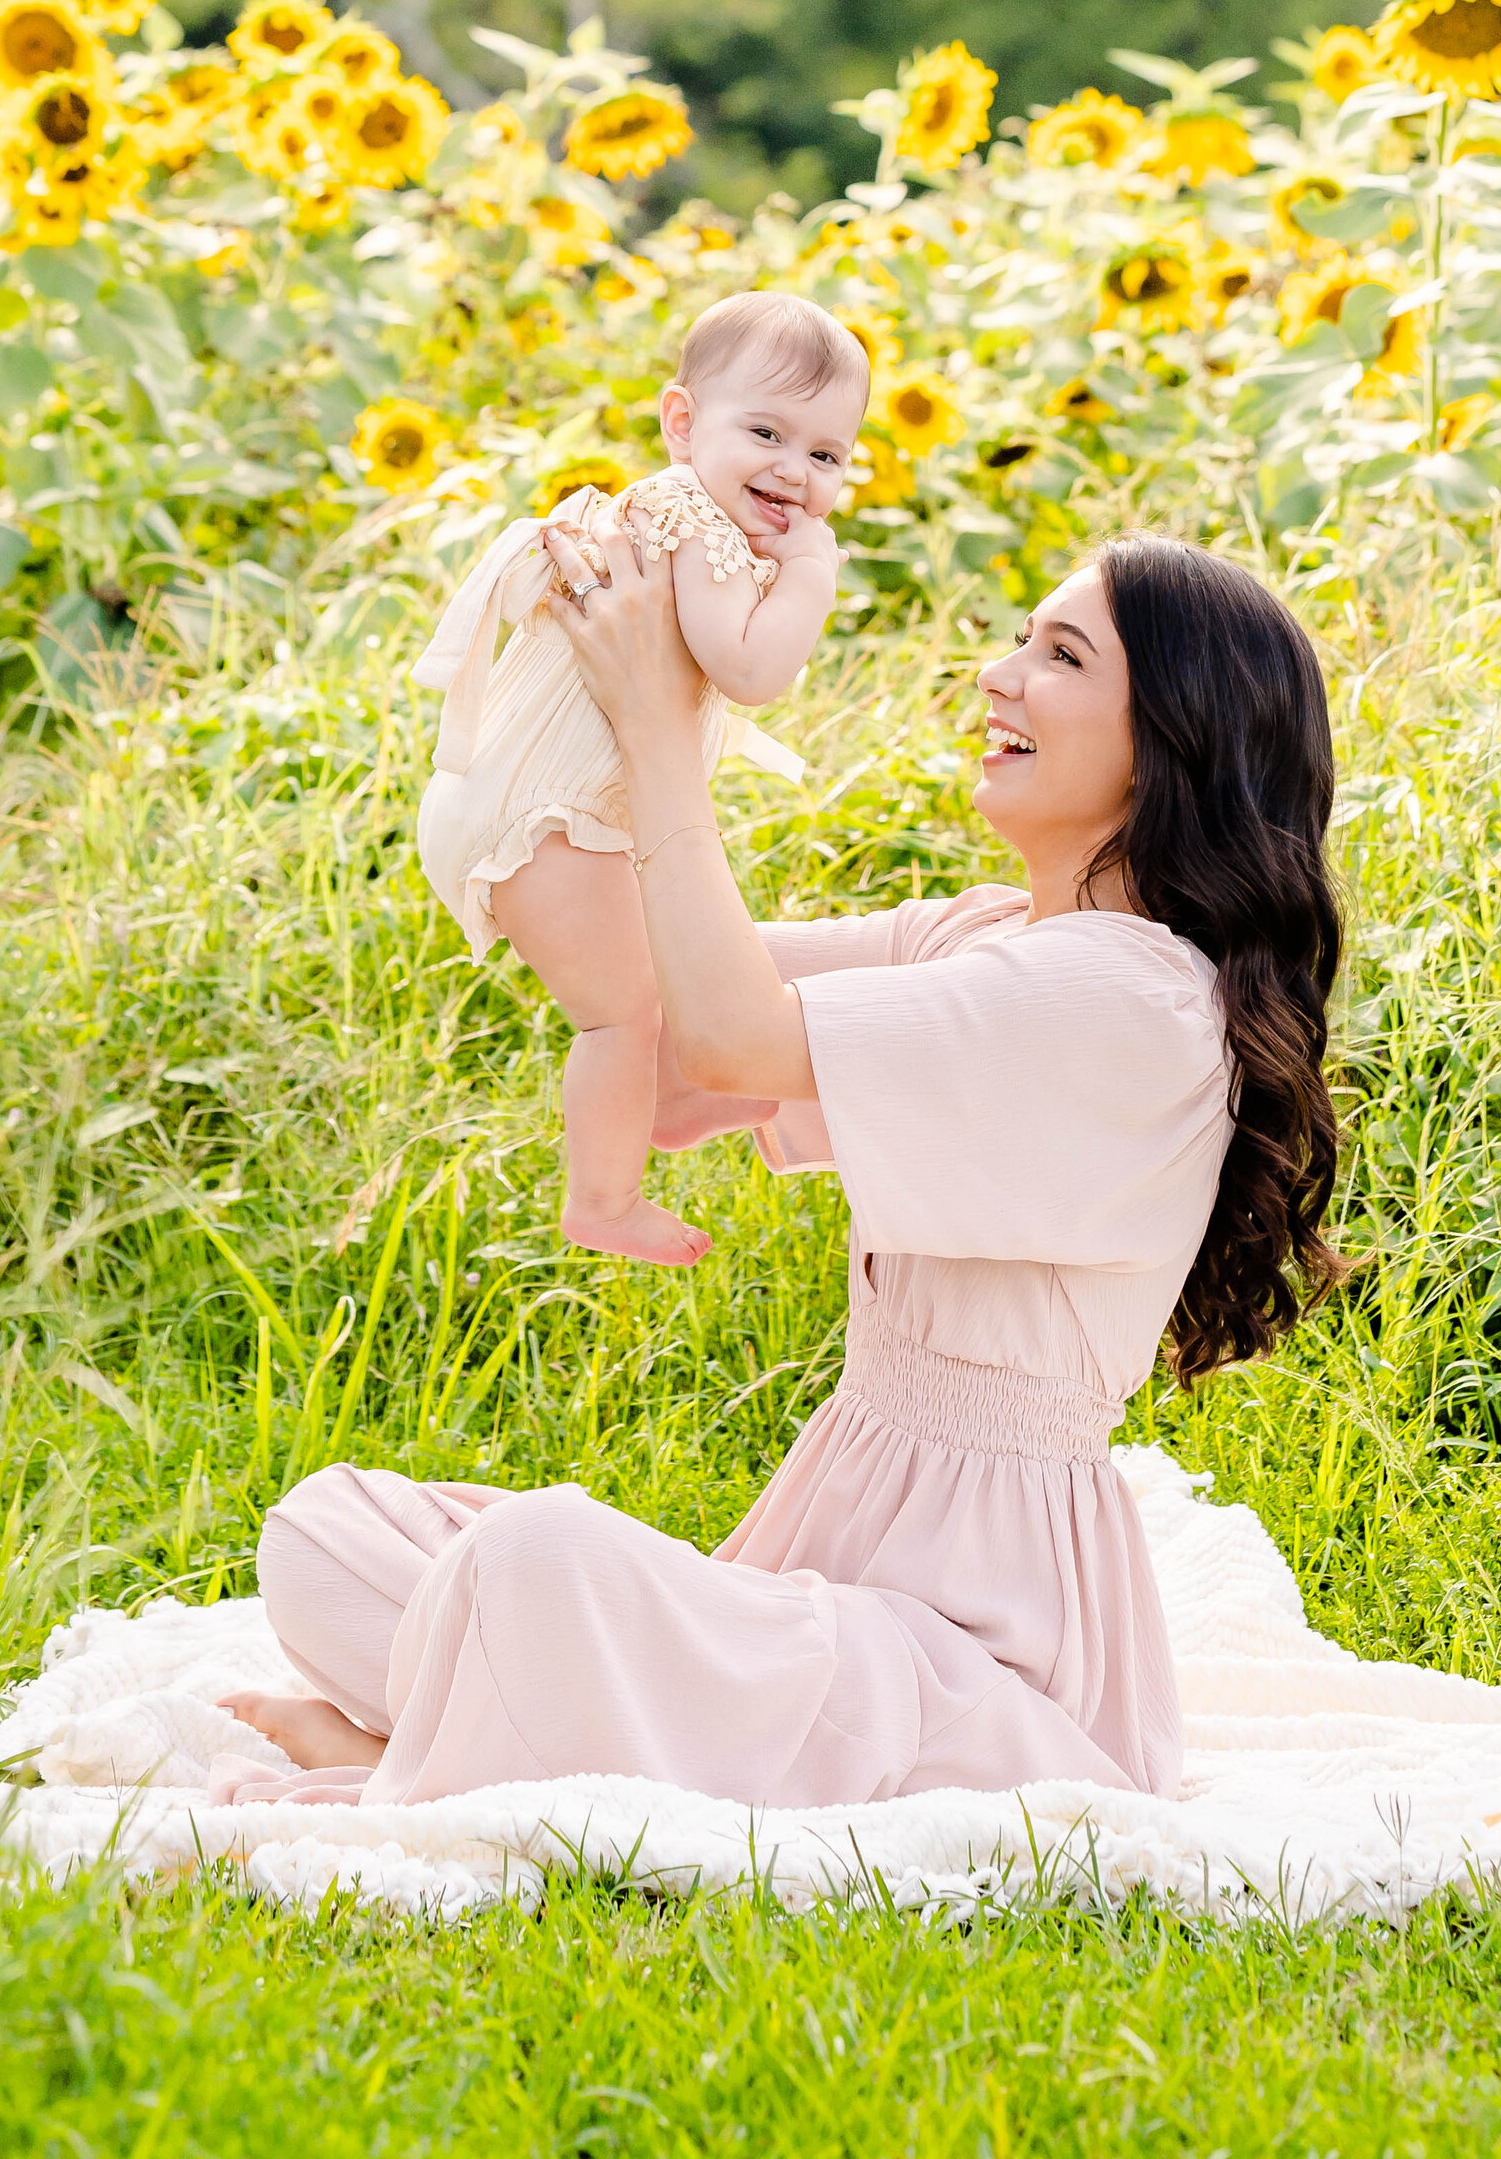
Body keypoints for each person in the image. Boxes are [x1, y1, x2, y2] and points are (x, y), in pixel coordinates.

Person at [222, 522, 1345, 1808]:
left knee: (534, 1563)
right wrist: (600, 704)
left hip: (975, 1666)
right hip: (823, 1589)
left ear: (1173, 742)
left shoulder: (1123, 1004)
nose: (999, 674)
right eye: (1020, 639)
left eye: (1061, 655)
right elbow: (663, 1012)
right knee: (329, 1534)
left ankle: (439, 1743)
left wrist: (655, 734)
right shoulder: (986, 936)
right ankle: (517, 1712)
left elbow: (731, 1032)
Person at [411, 287, 863, 1261]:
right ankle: (601, 1202)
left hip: (546, 813)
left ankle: (734, 1097)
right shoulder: (685, 516)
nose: (794, 471)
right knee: (620, 1014)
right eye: (767, 433)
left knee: (657, 984)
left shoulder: (680, 514)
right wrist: (812, 575)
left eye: (825, 455)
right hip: (546, 822)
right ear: (682, 422)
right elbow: (750, 672)